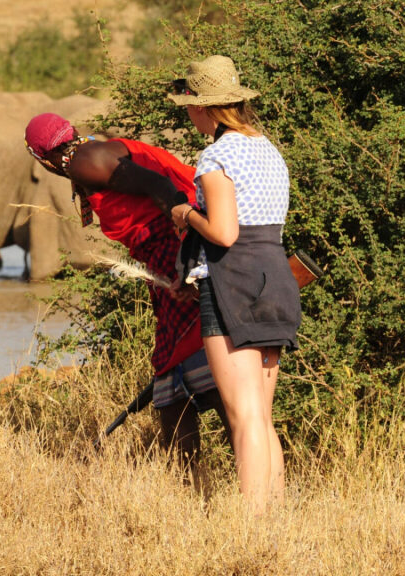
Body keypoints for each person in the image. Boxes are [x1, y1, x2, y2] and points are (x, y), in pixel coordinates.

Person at [24, 112, 230, 477]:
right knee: (173, 366)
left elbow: (160, 188)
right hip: (166, 253)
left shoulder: (85, 161)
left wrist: (183, 262)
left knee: (188, 357)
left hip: (172, 249)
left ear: (42, 158)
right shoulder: (88, 157)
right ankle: (192, 481)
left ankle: (238, 463)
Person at [167, 55, 301, 513]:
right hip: (275, 276)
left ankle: (251, 526)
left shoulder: (216, 156)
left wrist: (186, 214)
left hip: (233, 281)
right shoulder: (268, 148)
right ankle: (273, 518)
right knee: (261, 416)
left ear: (205, 109)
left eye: (190, 106)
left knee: (243, 417)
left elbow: (224, 233)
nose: (189, 114)